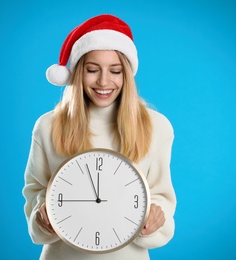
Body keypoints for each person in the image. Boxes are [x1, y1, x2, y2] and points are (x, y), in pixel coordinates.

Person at [22, 14, 176, 260]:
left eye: (115, 71)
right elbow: (36, 188)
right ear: (76, 72)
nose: (104, 81)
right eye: (92, 70)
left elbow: (160, 194)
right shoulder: (48, 126)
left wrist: (156, 217)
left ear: (126, 73)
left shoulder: (157, 127)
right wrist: (41, 215)